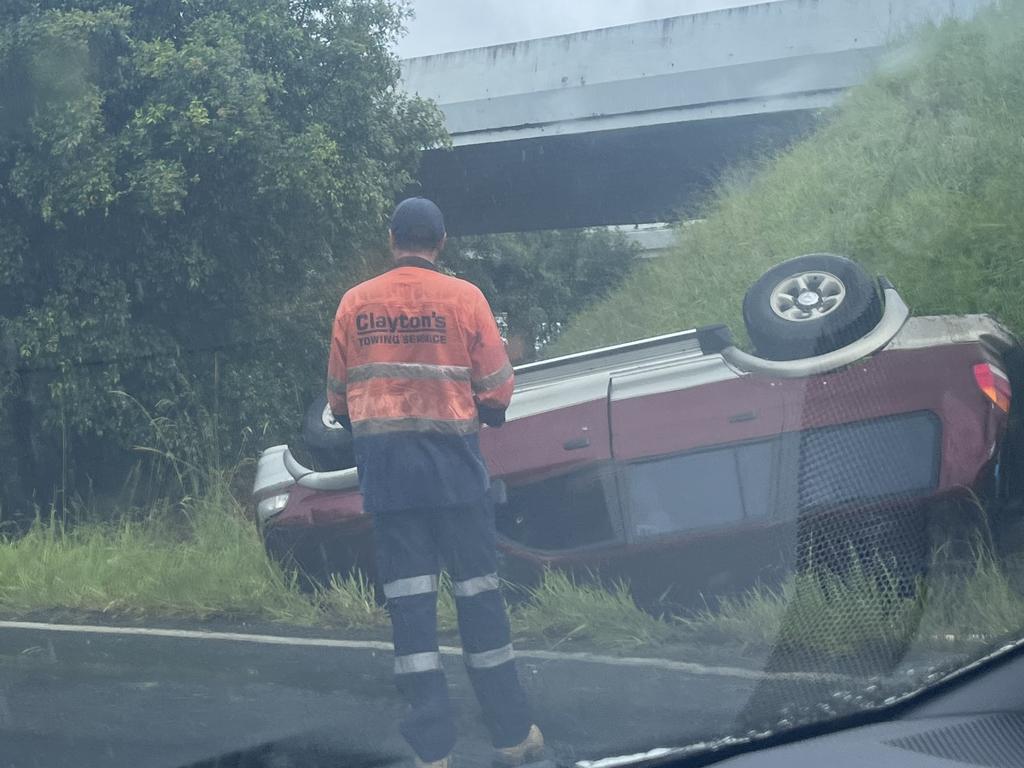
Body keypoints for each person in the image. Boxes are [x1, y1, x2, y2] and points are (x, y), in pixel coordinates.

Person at [326, 198, 544, 768]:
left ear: (393, 238)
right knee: (480, 601)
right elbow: (496, 391)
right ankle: (512, 737)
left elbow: (338, 400)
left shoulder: (354, 304)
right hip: (454, 475)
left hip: (390, 481)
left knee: (411, 610)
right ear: (440, 242)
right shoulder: (465, 299)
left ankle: (432, 753)